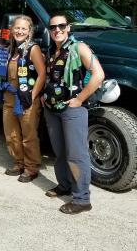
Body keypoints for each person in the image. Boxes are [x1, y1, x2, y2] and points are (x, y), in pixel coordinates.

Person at [43, 14, 104, 214]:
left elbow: (99, 75)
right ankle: (65, 185)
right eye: (53, 27)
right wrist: (45, 95)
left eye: (61, 26)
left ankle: (81, 199)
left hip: (73, 109)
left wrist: (79, 99)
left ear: (68, 27)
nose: (57, 30)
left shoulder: (79, 48)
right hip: (52, 109)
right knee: (60, 152)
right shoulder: (53, 50)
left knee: (76, 155)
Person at [1, 16, 46, 182]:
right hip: (10, 97)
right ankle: (19, 162)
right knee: (11, 134)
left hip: (26, 99)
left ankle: (31, 167)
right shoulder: (12, 48)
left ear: (29, 32)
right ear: (12, 29)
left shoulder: (33, 49)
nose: (20, 31)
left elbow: (42, 74)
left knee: (28, 135)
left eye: (24, 29)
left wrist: (33, 96)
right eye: (17, 28)